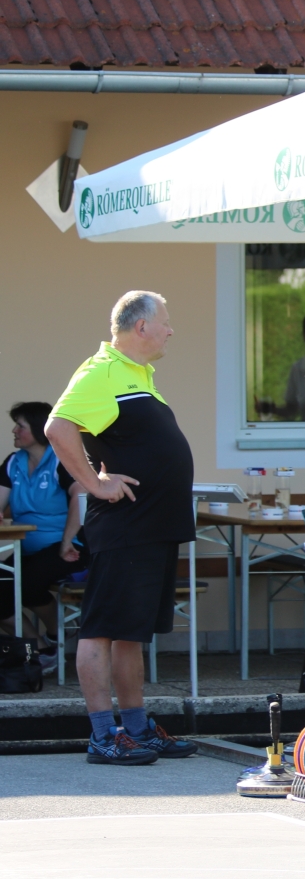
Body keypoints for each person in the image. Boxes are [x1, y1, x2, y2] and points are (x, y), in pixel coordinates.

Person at [44, 291, 196, 765]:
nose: (171, 330)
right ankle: (102, 736)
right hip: (127, 525)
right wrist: (95, 483)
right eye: (165, 321)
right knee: (101, 629)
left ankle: (136, 728)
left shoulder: (139, 376)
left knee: (132, 633)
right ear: (141, 326)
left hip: (153, 526)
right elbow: (58, 428)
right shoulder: (101, 371)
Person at [0, 401, 87, 645]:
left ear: (39, 429)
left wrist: (67, 541)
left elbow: (80, 494)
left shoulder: (62, 460)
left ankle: (57, 635)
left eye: (20, 426)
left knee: (29, 585)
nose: (14, 431)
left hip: (69, 547)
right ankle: (37, 648)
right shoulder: (13, 462)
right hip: (26, 549)